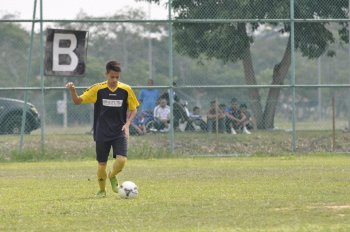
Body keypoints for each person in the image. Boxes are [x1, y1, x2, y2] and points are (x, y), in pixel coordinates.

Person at [65, 61, 139, 198]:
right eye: (112, 77)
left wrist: (127, 124)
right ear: (106, 74)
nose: (115, 80)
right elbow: (77, 101)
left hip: (119, 130)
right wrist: (73, 91)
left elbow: (134, 109)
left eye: (117, 77)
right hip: (102, 131)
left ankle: (112, 176)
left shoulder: (126, 89)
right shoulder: (97, 89)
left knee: (122, 160)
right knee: (101, 165)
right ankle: (102, 190)